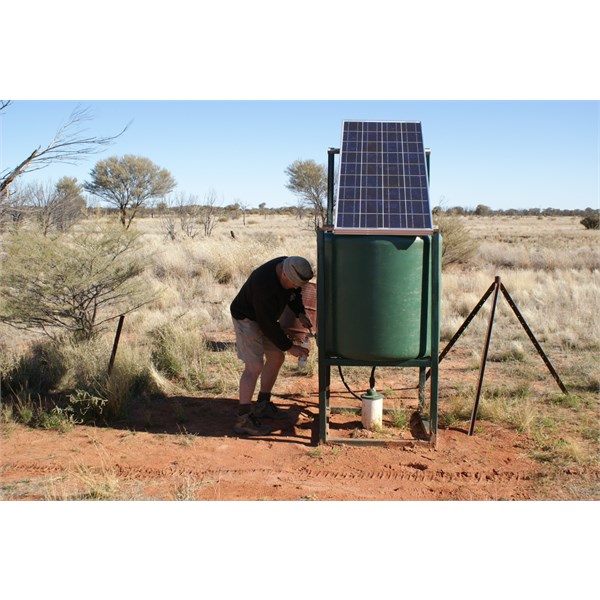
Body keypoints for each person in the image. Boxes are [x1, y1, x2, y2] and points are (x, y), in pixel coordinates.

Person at [230, 255, 314, 435]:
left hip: (265, 317)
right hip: (247, 317)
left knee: (276, 357)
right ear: (284, 275)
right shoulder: (264, 284)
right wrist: (290, 347)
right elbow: (266, 323)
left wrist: (299, 313)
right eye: (294, 283)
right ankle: (243, 419)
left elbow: (294, 294)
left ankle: (263, 404)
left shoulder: (290, 267)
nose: (297, 287)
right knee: (254, 366)